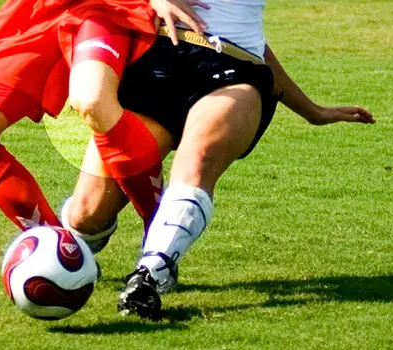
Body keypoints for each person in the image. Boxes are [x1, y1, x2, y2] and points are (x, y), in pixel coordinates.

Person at [60, 0, 375, 320]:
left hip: (235, 70)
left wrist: (312, 111)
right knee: (88, 214)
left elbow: (246, 31)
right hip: (153, 62)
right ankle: (66, 255)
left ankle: (152, 274)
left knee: (196, 159)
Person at [0, 0, 207, 231]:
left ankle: (160, 240)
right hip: (33, 12)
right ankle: (58, 245)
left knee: (93, 100)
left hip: (107, 7)